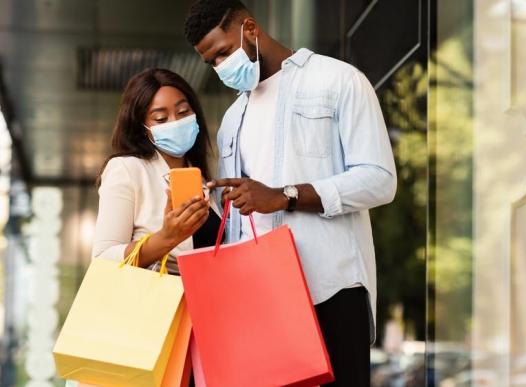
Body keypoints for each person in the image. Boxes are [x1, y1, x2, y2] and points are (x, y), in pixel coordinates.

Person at [184, 1, 397, 385]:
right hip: (260, 299)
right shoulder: (232, 120)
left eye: (223, 53)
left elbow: (379, 179)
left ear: (250, 29)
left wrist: (286, 195)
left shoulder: (338, 81)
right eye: (210, 62)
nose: (220, 67)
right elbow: (239, 214)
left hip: (330, 288)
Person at [92, 68, 221, 276]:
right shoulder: (127, 169)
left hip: (208, 302)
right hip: (158, 304)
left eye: (183, 112)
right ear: (143, 128)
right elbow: (103, 258)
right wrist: (166, 238)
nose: (175, 122)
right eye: (161, 118)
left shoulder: (207, 180)